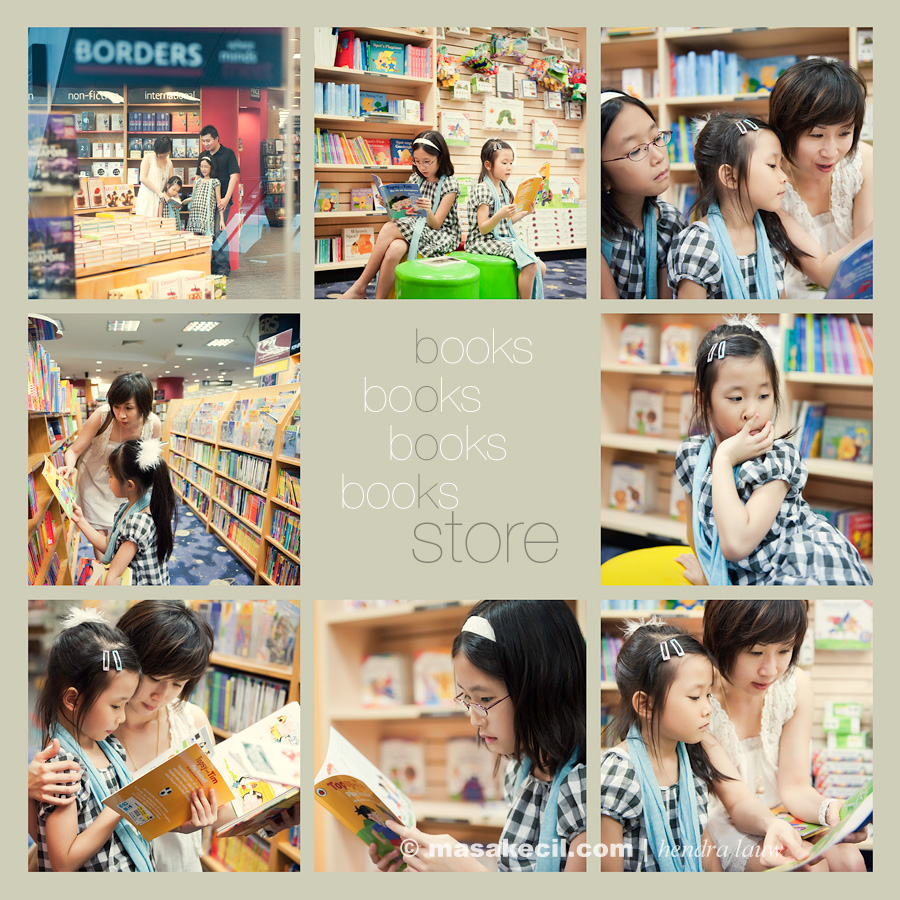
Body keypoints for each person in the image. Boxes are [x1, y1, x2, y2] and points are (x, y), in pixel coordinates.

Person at [370, 600, 585, 872]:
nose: (474, 717)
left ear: (543, 685)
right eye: (467, 697)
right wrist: (422, 862)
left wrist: (466, 872)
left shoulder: (588, 791)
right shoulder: (519, 773)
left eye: (485, 698)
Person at [673, 318, 873, 585]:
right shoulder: (691, 455)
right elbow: (696, 531)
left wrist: (724, 459)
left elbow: (736, 543)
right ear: (703, 401)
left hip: (805, 567)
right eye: (736, 398)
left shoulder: (777, 457)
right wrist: (709, 574)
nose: (752, 411)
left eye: (764, 396)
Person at [30, 604, 223, 871]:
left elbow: (220, 808)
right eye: (154, 678)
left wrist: (270, 817)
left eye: (178, 684)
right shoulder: (89, 732)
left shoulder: (191, 722)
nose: (162, 696)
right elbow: (53, 841)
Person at [600, 619, 804, 871]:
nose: (708, 709)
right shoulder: (617, 774)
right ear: (645, 705)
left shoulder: (695, 751)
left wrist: (773, 824)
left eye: (708, 694)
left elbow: (707, 845)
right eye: (695, 697)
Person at [701, 600, 868, 871]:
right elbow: (736, 805)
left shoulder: (794, 685)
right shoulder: (701, 698)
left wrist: (831, 812)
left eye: (784, 650)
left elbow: (795, 786)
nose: (770, 670)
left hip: (785, 811)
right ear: (722, 641)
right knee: (803, 869)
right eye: (755, 652)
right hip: (726, 820)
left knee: (849, 858)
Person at [667, 113, 864, 299]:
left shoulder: (772, 235)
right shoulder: (698, 244)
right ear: (730, 176)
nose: (784, 177)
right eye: (772, 165)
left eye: (781, 165)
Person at [33, 608, 152, 871]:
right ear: (73, 699)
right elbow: (63, 861)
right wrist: (120, 807)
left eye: (125, 705)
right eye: (115, 706)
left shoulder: (110, 746)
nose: (122, 718)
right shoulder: (62, 767)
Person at [768, 58, 874, 298]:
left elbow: (864, 266)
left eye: (844, 133)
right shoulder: (771, 183)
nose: (831, 151)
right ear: (785, 129)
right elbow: (828, 275)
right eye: (817, 135)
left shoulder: (863, 162)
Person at [340, 130, 460, 299]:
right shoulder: (414, 179)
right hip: (415, 227)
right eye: (417, 161)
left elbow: (436, 224)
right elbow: (402, 218)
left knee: (389, 228)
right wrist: (390, 205)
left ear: (440, 158)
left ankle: (359, 287)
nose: (422, 167)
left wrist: (427, 211)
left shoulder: (449, 183)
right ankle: (379, 301)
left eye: (427, 161)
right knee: (394, 249)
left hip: (440, 234)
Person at [57, 373, 162, 555]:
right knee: (99, 538)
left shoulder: (152, 424)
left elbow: (150, 462)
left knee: (124, 534)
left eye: (129, 408)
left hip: (125, 488)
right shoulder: (103, 415)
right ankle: (104, 572)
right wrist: (69, 466)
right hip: (93, 483)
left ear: (144, 406)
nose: (121, 414)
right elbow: (74, 450)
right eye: (116, 406)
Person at [600, 89, 686, 298]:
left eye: (656, 138)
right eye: (636, 150)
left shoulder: (670, 222)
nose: (658, 156)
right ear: (602, 177)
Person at [71, 438, 177, 585]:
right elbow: (108, 544)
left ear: (129, 485)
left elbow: (113, 577)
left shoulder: (137, 523)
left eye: (111, 476)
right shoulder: (130, 508)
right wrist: (81, 520)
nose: (108, 480)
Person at [465, 139, 546, 299]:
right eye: (504, 162)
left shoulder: (502, 188)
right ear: (488, 165)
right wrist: (500, 214)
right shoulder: (483, 189)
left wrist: (524, 213)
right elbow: (483, 228)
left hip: (500, 239)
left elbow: (504, 223)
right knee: (530, 265)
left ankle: (517, 294)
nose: (509, 167)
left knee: (541, 267)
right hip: (482, 241)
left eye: (511, 162)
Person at [199, 125, 240, 276]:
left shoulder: (228, 153)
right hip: (205, 202)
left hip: (222, 200)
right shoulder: (203, 155)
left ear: (217, 138)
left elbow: (234, 176)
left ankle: (223, 268)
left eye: (208, 140)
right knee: (208, 233)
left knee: (218, 230)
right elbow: (199, 177)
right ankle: (212, 266)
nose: (206, 144)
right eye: (204, 141)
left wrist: (226, 198)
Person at [134, 137, 175, 219]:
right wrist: (158, 192)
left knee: (159, 226)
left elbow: (171, 183)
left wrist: (175, 197)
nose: (162, 155)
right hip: (147, 196)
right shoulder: (148, 158)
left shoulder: (169, 163)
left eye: (164, 152)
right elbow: (142, 178)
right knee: (145, 224)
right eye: (160, 152)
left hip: (161, 200)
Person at [187, 153, 226, 238]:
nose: (203, 169)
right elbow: (193, 198)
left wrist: (222, 220)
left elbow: (219, 202)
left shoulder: (215, 182)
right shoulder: (197, 181)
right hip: (195, 214)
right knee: (193, 238)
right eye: (201, 166)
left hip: (206, 216)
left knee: (206, 240)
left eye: (206, 166)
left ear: (211, 167)